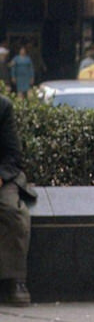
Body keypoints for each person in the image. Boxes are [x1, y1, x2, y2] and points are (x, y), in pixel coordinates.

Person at [0, 92, 35, 305]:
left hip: (3, 177)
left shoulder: (3, 106)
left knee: (14, 212)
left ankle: (16, 280)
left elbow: (13, 155)